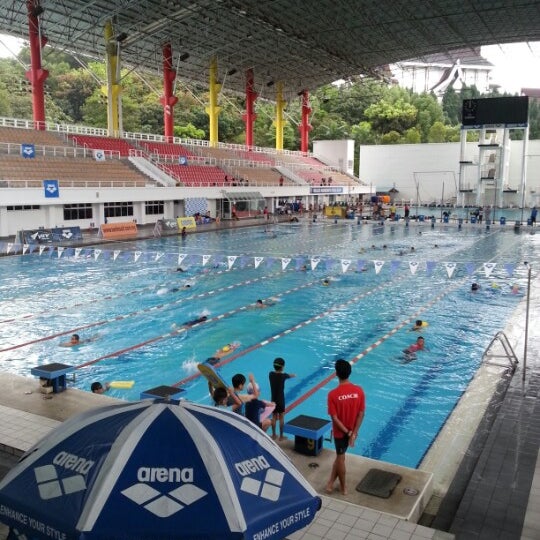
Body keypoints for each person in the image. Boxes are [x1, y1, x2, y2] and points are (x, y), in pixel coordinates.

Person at [325, 359, 365, 496]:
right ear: (350, 372)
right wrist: (354, 433)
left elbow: (335, 419)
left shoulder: (332, 394)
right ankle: (331, 483)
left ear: (336, 374)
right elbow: (361, 414)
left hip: (340, 433)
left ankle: (343, 488)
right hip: (350, 431)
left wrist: (349, 433)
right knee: (340, 457)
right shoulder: (359, 391)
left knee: (340, 458)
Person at [269, 357, 296, 440]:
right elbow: (289, 375)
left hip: (273, 399)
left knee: (274, 416)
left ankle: (273, 435)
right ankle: (281, 436)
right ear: (283, 367)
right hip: (281, 400)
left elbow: (279, 373)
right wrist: (293, 375)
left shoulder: (270, 374)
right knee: (281, 417)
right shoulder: (283, 376)